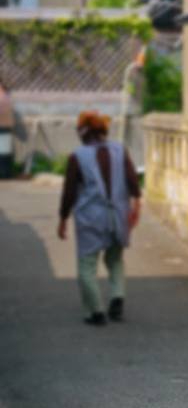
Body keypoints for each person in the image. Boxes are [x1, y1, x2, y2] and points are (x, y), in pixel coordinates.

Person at [57, 110, 141, 325]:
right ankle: (117, 298)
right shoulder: (120, 151)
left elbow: (69, 192)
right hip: (118, 215)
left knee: (87, 265)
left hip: (90, 217)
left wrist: (63, 219)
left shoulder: (78, 156)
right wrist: (136, 207)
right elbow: (133, 182)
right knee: (114, 260)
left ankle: (96, 312)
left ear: (83, 132)